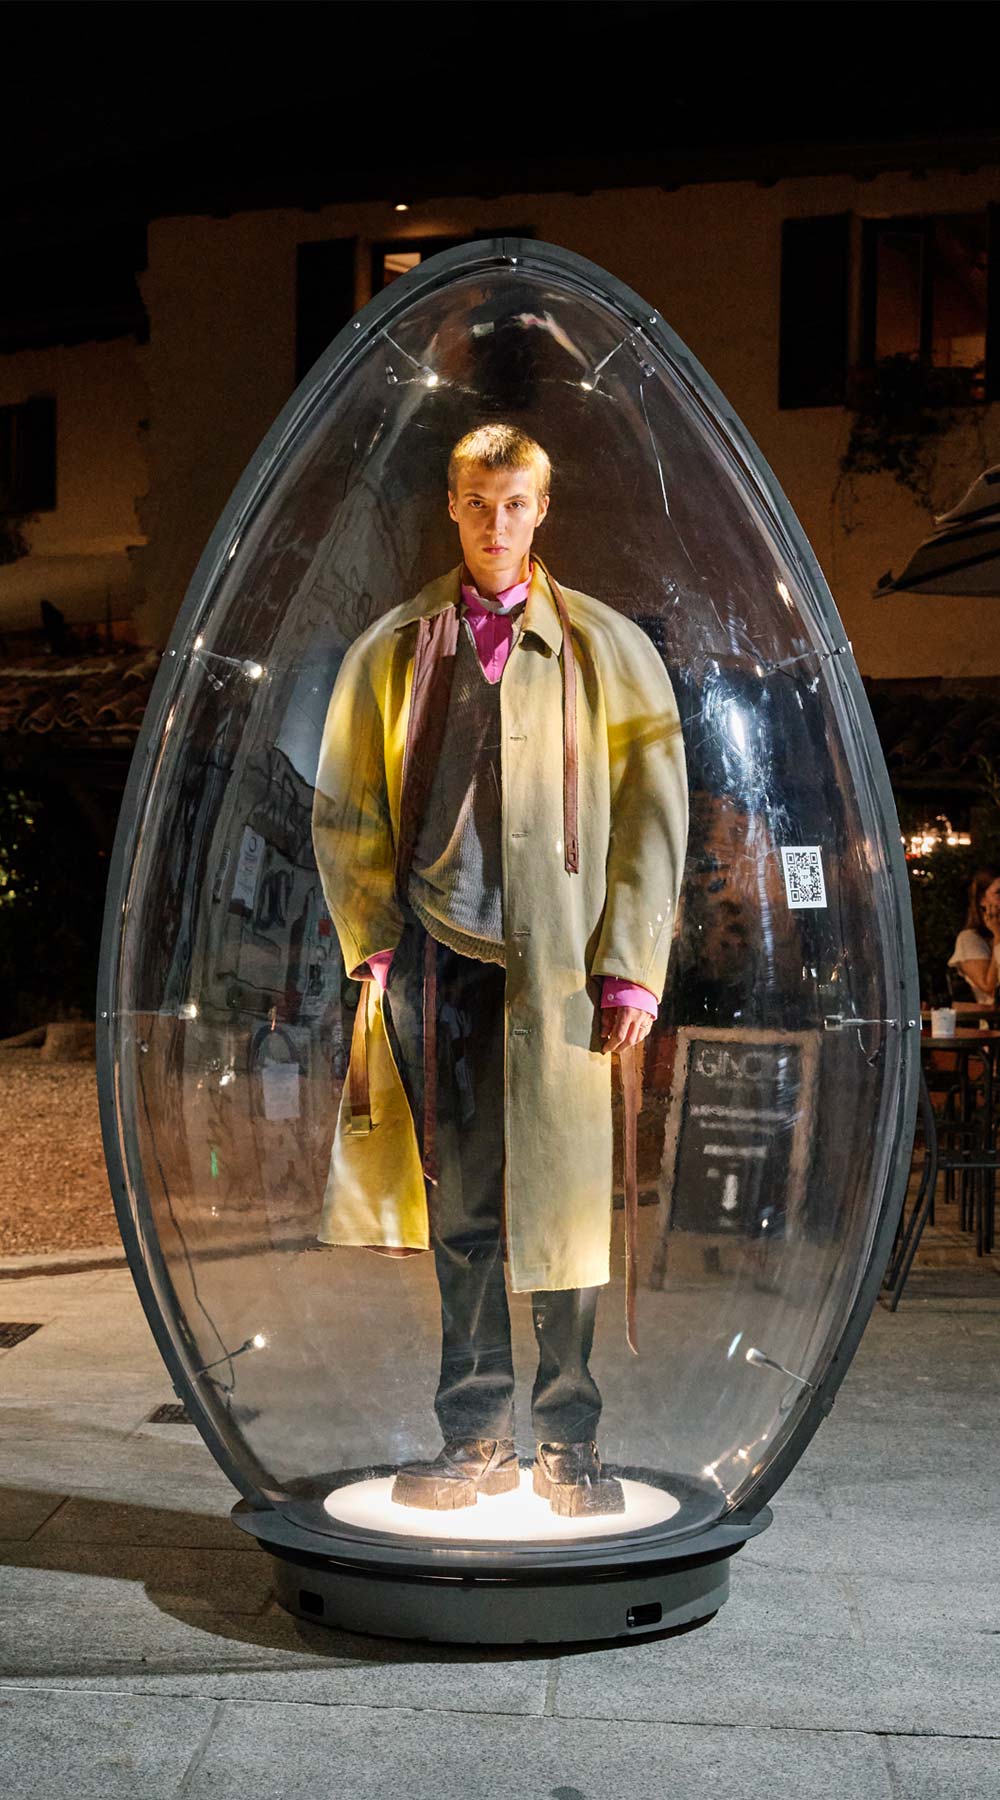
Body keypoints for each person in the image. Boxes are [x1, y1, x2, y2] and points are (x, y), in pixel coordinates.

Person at [311, 423, 688, 1517]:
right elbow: (346, 803)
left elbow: (654, 812)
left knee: (566, 1204)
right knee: (464, 1207)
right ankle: (472, 1434)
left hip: (564, 966)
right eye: (477, 502)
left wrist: (631, 966)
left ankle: (570, 1439)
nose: (496, 522)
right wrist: (373, 937)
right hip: (439, 955)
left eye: (515, 502)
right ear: (451, 506)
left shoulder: (609, 649)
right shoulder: (393, 648)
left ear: (542, 510)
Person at [948, 870, 1000, 1003]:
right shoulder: (969, 939)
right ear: (982, 899)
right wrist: (998, 937)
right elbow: (989, 987)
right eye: (998, 893)